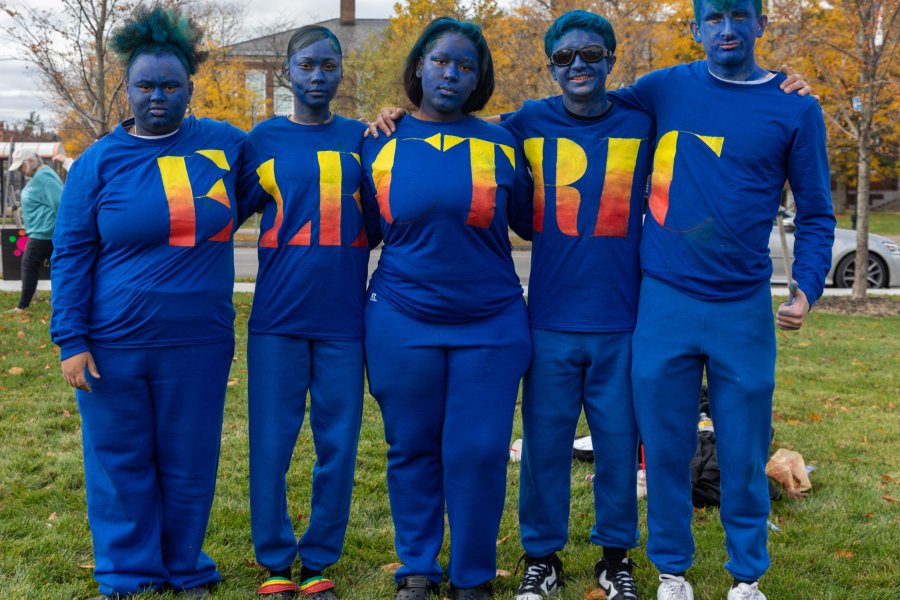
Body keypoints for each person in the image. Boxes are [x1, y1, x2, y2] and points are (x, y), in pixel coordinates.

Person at [611, 1, 836, 599]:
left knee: (742, 451)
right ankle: (671, 572)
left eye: (740, 15)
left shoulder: (796, 105)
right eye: (713, 18)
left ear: (761, 24)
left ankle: (746, 578)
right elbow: (579, 111)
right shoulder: (663, 88)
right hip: (663, 300)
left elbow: (816, 213)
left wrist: (808, 288)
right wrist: (428, 119)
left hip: (743, 308)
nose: (727, 29)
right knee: (663, 448)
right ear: (696, 27)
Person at [49, 5, 245, 598]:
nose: (157, 95)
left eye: (171, 85)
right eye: (145, 85)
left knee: (189, 465)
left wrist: (383, 121)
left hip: (199, 343)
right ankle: (128, 574)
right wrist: (71, 340)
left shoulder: (226, 145)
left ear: (190, 87)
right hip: (114, 344)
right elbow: (70, 254)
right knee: (120, 465)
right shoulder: (97, 163)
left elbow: (295, 154)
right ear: (125, 88)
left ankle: (185, 568)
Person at [360, 17, 533, 600]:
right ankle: (417, 568)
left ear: (478, 76)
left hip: (490, 322)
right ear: (417, 67)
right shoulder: (378, 140)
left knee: (480, 450)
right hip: (400, 319)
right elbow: (363, 230)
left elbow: (533, 223)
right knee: (411, 445)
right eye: (440, 60)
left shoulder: (503, 143)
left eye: (466, 65)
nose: (452, 73)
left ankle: (473, 576)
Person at [497, 11, 653, 600]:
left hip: (623, 317)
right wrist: (394, 118)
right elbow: (461, 127)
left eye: (591, 54)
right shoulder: (527, 121)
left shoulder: (644, 119)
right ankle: (543, 556)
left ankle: (615, 559)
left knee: (618, 445)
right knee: (544, 446)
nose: (579, 65)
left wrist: (783, 78)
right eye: (565, 57)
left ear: (612, 59)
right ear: (549, 66)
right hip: (550, 319)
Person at [237, 25, 369, 600]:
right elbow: (225, 210)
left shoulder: (366, 139)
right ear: (289, 72)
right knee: (272, 443)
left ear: (342, 72)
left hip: (344, 319)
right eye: (307, 66)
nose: (318, 76)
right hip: (276, 319)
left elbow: (389, 218)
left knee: (337, 444)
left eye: (328, 66)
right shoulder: (261, 140)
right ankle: (274, 560)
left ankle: (318, 559)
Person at [8, 147, 62, 312]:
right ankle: (60, 304)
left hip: (45, 233)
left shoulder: (45, 177)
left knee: (29, 265)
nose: (21, 172)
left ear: (30, 161)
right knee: (56, 268)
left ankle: (22, 306)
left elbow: (60, 204)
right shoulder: (39, 176)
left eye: (21, 167)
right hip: (42, 232)